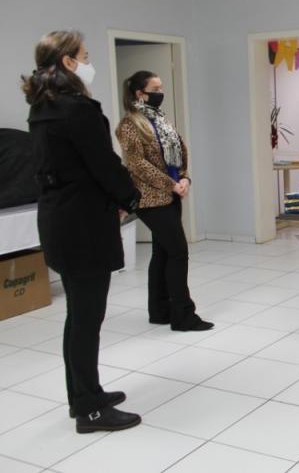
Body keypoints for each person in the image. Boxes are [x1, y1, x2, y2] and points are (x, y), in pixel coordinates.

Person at [23, 30, 142, 433]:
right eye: (85, 56)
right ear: (68, 62)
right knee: (86, 319)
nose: (90, 63)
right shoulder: (77, 109)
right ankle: (90, 410)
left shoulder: (42, 107)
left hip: (60, 220)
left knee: (78, 317)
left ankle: (85, 395)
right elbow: (104, 165)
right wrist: (130, 196)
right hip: (83, 225)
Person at [116, 71, 213, 332]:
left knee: (162, 252)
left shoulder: (161, 119)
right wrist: (171, 183)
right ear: (140, 94)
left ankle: (159, 311)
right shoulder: (129, 125)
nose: (161, 93)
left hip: (171, 194)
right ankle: (183, 316)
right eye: (156, 88)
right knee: (178, 252)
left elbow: (178, 153)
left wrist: (184, 178)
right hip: (151, 199)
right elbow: (137, 164)